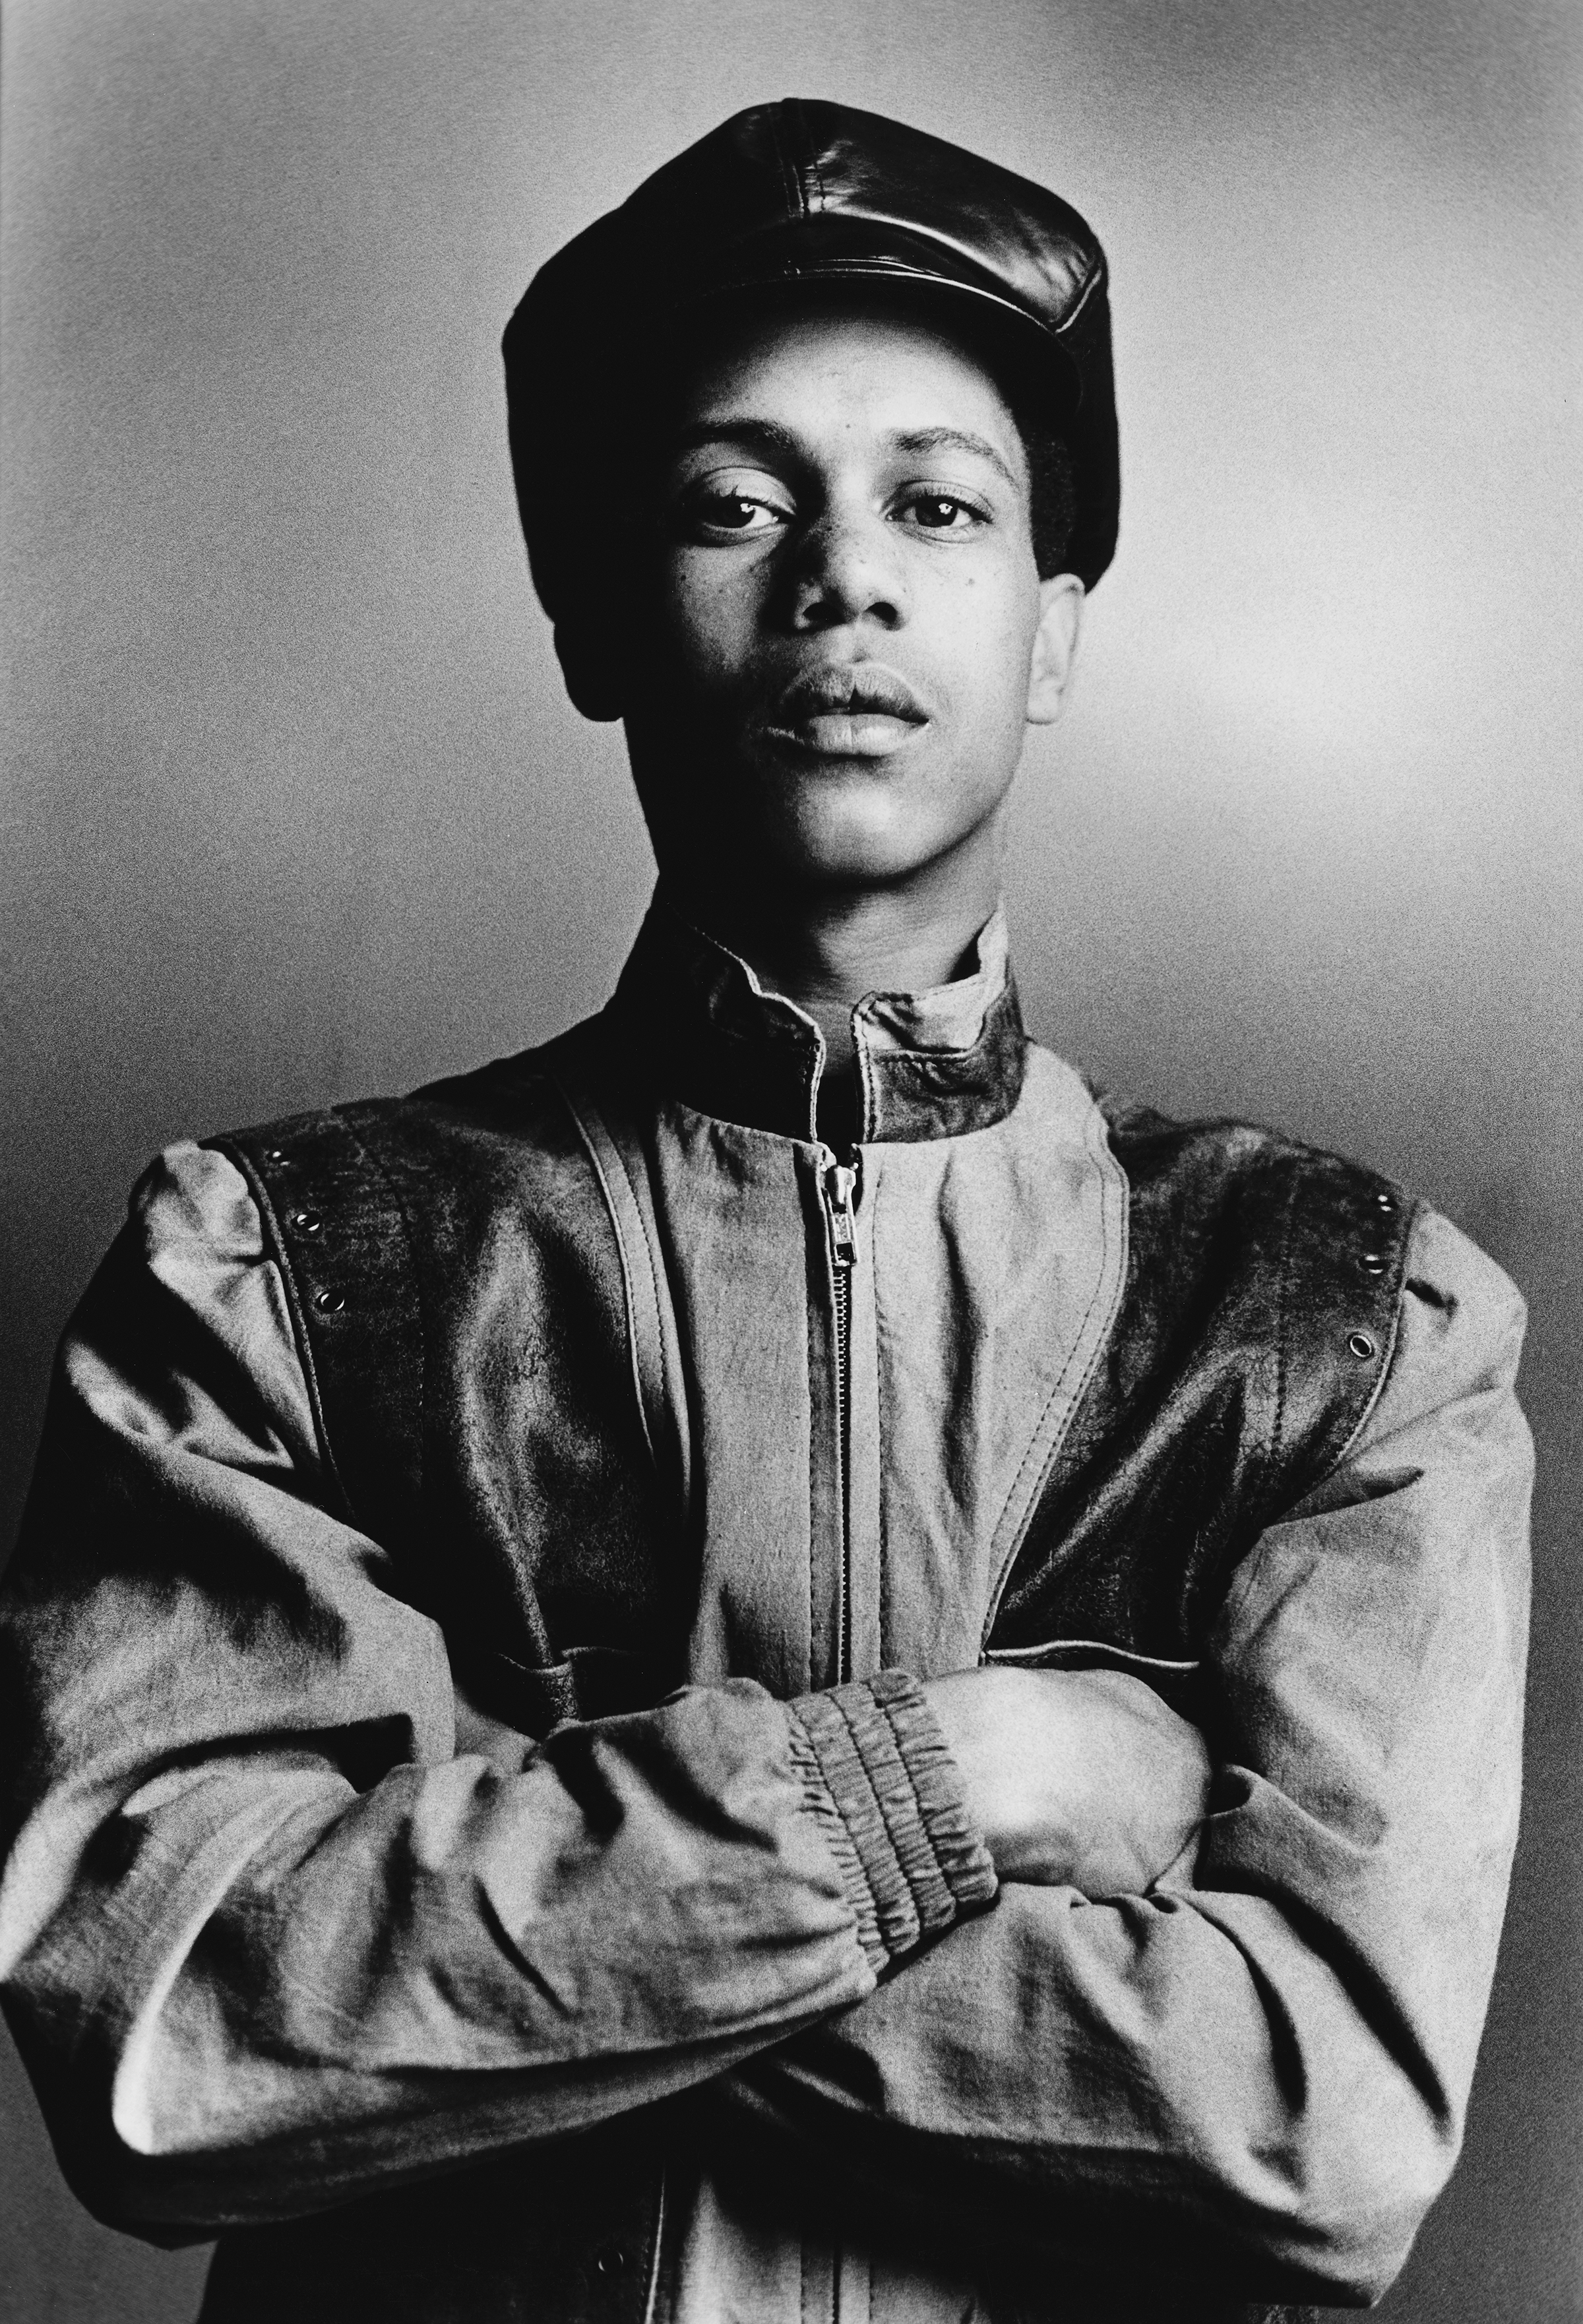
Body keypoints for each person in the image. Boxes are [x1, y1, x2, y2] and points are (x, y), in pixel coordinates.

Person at [0, 99, 1532, 2324]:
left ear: (1054, 628)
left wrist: (497, 1933)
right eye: (735, 504)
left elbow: (1322, 2123)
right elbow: (170, 2027)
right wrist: (959, 1775)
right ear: (600, 618)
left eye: (939, 501)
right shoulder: (280, 1279)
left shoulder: (1348, 1321)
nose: (844, 576)